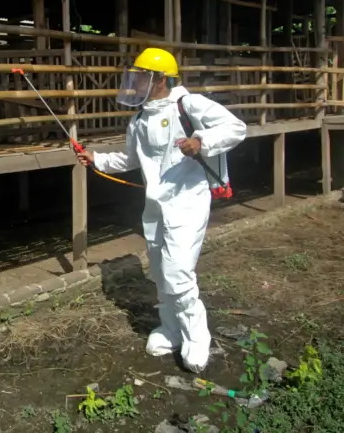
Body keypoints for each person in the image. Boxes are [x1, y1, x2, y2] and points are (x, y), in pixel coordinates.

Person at [76, 47, 246, 373]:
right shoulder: (139, 119)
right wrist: (97, 159)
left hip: (188, 201)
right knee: (158, 270)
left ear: (161, 80)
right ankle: (170, 330)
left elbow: (235, 128)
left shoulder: (189, 104)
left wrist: (201, 141)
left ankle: (196, 337)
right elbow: (130, 159)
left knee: (178, 273)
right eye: (135, 76)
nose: (136, 82)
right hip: (155, 205)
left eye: (142, 77)